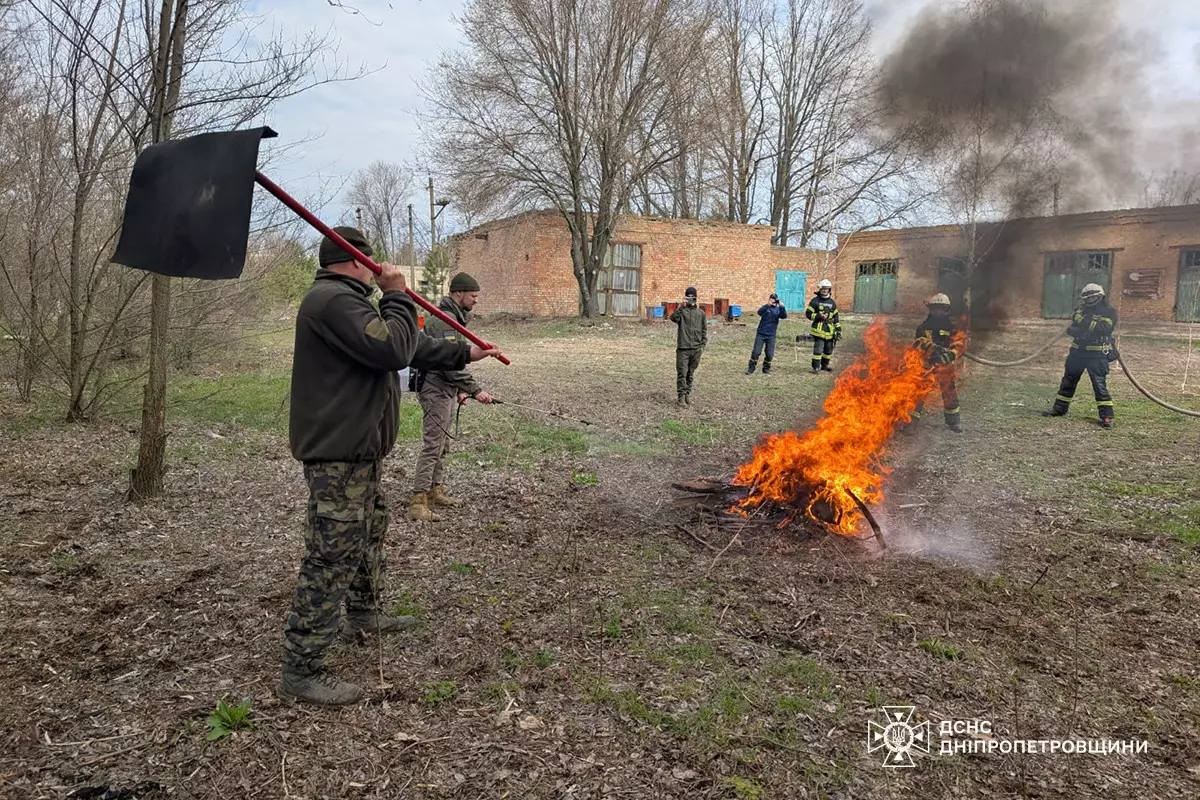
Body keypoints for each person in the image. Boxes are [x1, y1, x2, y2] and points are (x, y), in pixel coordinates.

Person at [280, 226, 503, 706]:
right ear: (356, 261)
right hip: (337, 453)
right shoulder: (332, 302)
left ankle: (364, 613)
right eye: (372, 261)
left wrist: (464, 352)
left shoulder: (348, 302)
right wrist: (398, 295)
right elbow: (391, 350)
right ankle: (301, 667)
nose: (379, 268)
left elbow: (411, 345)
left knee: (368, 533)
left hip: (357, 451)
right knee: (331, 554)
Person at [408, 272, 494, 522]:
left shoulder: (454, 318)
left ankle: (435, 490)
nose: (476, 300)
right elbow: (448, 363)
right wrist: (475, 390)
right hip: (434, 388)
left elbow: (453, 358)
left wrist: (459, 390)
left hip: (444, 388)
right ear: (458, 293)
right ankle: (418, 501)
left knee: (442, 444)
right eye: (473, 295)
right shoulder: (444, 321)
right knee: (433, 445)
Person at [1043, 283, 1118, 428]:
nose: (1089, 301)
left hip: (1097, 354)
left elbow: (1104, 328)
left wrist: (1081, 322)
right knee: (1068, 382)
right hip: (1077, 353)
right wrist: (1085, 326)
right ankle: (1059, 409)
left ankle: (1107, 416)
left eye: (1091, 298)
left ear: (1100, 297)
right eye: (1086, 298)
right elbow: (1072, 330)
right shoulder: (1080, 310)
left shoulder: (1108, 311)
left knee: (1099, 386)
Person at [913, 293, 963, 432]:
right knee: (919, 392)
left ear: (946, 310)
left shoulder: (952, 328)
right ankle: (911, 422)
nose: (938, 312)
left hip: (945, 366)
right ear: (931, 309)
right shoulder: (922, 328)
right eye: (935, 308)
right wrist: (932, 350)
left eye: (941, 308)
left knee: (949, 392)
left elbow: (959, 344)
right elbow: (918, 343)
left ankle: (953, 422)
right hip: (927, 365)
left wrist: (949, 355)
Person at [669, 286, 707, 407]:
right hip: (683, 349)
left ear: (696, 298)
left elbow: (704, 330)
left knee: (690, 374)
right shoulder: (682, 312)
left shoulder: (701, 313)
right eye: (688, 296)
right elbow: (673, 318)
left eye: (692, 296)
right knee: (682, 373)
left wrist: (702, 345)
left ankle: (687, 395)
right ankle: (681, 397)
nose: (691, 299)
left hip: (696, 349)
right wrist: (681, 307)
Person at [746, 293, 787, 374]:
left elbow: (784, 316)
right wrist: (768, 305)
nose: (773, 301)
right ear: (769, 299)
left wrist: (782, 307)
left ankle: (766, 368)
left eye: (774, 299)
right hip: (761, 334)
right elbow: (759, 312)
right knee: (756, 352)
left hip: (771, 335)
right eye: (772, 299)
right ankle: (751, 368)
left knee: (769, 354)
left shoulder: (778, 309)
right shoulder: (766, 307)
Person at [805, 279, 841, 373]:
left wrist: (838, 329)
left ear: (829, 290)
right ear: (820, 289)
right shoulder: (815, 301)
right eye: (823, 289)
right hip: (818, 330)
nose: (825, 290)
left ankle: (824, 366)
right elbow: (808, 314)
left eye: (826, 289)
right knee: (818, 349)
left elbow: (836, 316)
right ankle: (816, 367)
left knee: (828, 350)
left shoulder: (832, 302)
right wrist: (818, 316)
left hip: (829, 331)